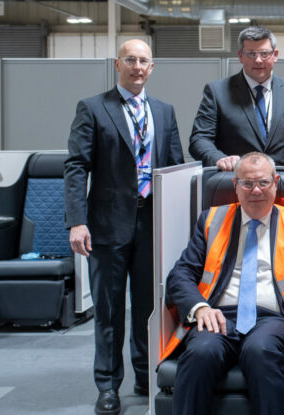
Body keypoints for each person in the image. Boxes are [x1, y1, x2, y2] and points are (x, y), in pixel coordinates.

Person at [163, 152, 284, 415]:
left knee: (260, 351)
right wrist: (200, 308)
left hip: (273, 318)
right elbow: (180, 274)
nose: (255, 190)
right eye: (247, 183)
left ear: (276, 182)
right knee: (201, 352)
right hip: (218, 317)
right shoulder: (211, 220)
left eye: (263, 183)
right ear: (235, 186)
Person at [64, 39, 184, 414]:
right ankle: (108, 384)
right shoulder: (94, 108)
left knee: (151, 307)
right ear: (118, 64)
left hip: (153, 222)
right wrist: (77, 222)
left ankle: (147, 374)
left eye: (143, 60)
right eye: (129, 59)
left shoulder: (164, 112)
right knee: (109, 309)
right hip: (106, 225)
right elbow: (75, 167)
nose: (136, 66)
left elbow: (176, 166)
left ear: (152, 68)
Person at [189, 25, 284, 170]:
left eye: (264, 53)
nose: (258, 60)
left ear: (275, 55)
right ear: (240, 56)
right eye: (251, 53)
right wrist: (219, 159)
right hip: (236, 183)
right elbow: (199, 140)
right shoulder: (217, 92)